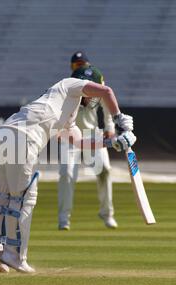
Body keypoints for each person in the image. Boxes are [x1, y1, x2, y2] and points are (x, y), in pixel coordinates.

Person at [0, 66, 136, 273]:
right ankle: (14, 255)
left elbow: (79, 142)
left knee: (4, 195)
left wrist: (114, 142)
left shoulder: (64, 108)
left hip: (6, 133)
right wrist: (119, 119)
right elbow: (106, 92)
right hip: (24, 138)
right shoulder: (70, 84)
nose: (93, 98)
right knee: (24, 197)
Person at [58, 51, 117, 230]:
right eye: (76, 65)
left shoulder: (97, 84)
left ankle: (107, 214)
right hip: (70, 135)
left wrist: (110, 128)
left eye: (82, 64)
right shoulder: (68, 86)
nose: (79, 67)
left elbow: (107, 104)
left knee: (105, 171)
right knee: (67, 174)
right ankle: (64, 219)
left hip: (93, 135)